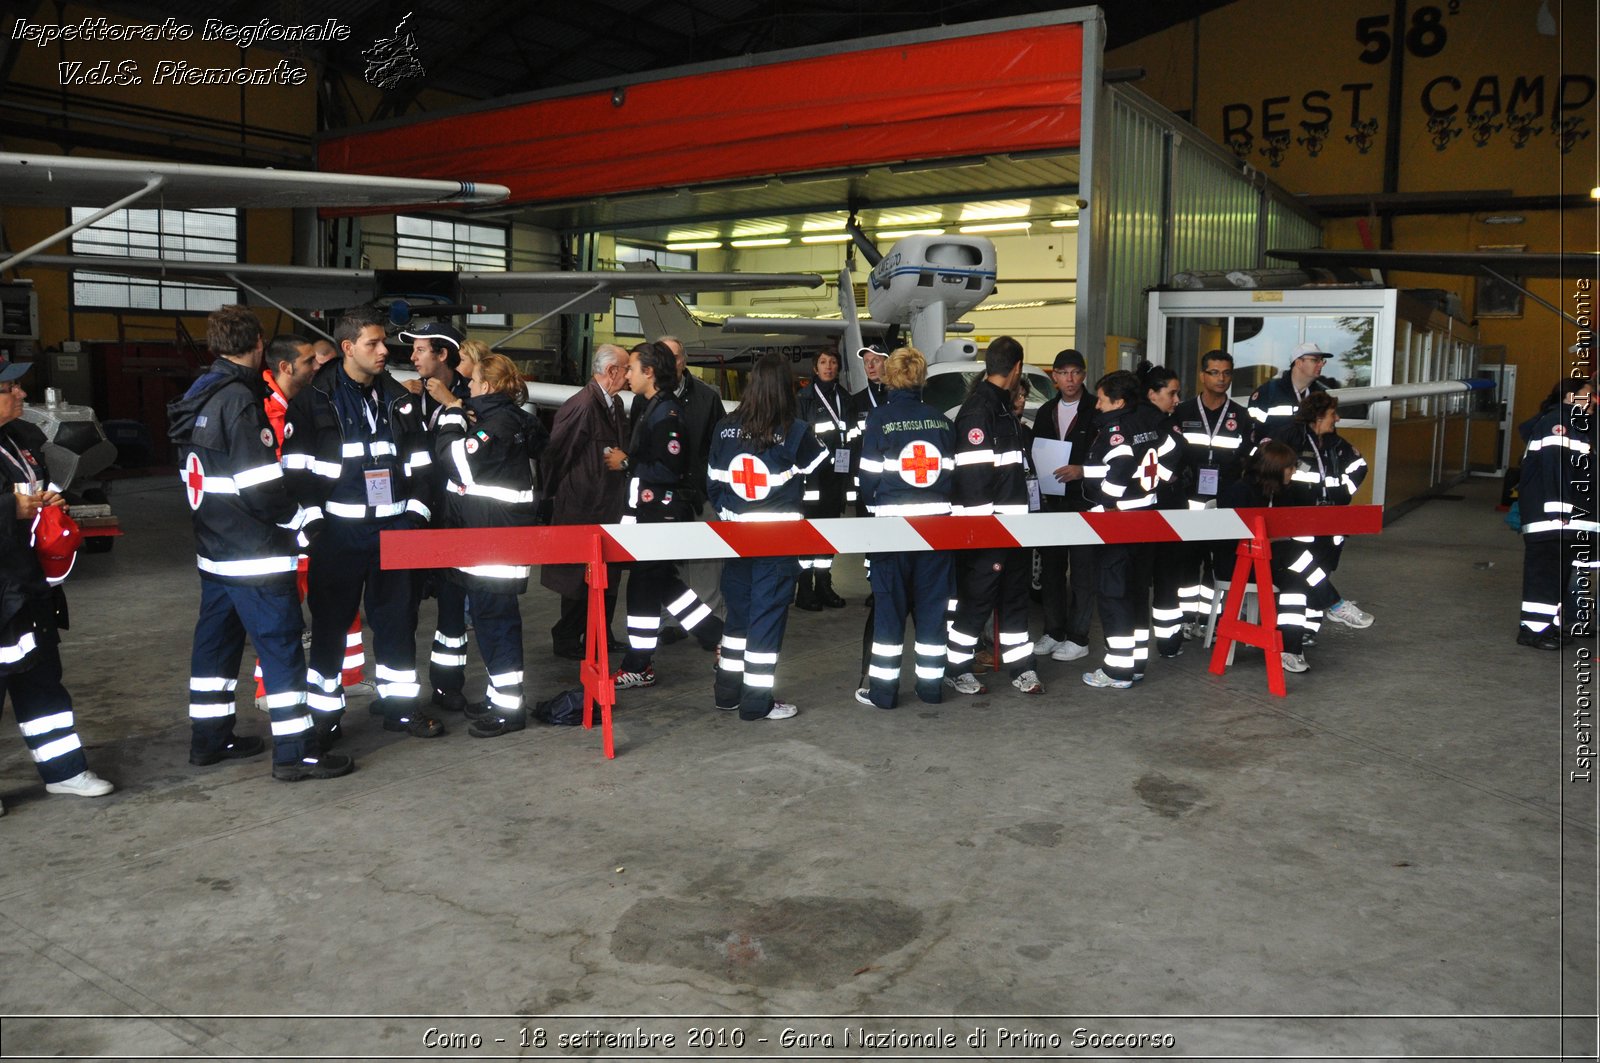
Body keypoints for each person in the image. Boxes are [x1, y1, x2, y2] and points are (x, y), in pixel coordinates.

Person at [169, 307, 350, 781]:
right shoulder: (241, 402)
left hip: (214, 549)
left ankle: (209, 739)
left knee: (215, 647)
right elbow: (260, 484)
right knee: (283, 650)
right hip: (255, 553)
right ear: (258, 345)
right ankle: (296, 754)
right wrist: (300, 522)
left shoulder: (198, 393)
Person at [284, 307, 442, 742]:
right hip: (338, 536)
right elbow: (295, 472)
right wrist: (315, 529)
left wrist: (414, 519)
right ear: (348, 347)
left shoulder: (400, 398)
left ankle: (401, 709)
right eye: (373, 343)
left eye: (383, 342)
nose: (384, 350)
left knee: (398, 625)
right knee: (331, 628)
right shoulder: (313, 399)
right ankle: (324, 718)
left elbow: (422, 465)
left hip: (395, 532)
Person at [0, 354, 114, 810]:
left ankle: (65, 772)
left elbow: (34, 482)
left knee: (43, 680)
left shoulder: (19, 437)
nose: (22, 394)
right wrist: (11, 510)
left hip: (27, 586)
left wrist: (47, 498)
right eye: (10, 389)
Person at [429, 353, 548, 735]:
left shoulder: (490, 425)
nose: (470, 385)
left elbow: (457, 463)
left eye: (475, 380)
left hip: (492, 543)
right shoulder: (518, 418)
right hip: (500, 538)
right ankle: (500, 698)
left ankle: (509, 711)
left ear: (489, 386)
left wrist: (451, 415)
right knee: (494, 621)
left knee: (496, 625)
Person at [250, 335, 370, 708]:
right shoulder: (265, 409)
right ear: (288, 367)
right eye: (312, 362)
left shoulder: (315, 401)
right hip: (288, 525)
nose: (320, 369)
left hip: (320, 522)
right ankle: (268, 690)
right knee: (283, 612)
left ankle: (348, 676)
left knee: (339, 603)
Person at [707, 353, 826, 720]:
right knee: (766, 621)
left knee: (739, 620)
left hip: (736, 540)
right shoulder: (796, 430)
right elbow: (818, 474)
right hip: (777, 543)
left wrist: (732, 515)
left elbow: (712, 482)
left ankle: (727, 693)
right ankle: (757, 703)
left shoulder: (724, 428)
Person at [606, 341, 723, 688]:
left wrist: (626, 462)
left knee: (645, 587)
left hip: (663, 515)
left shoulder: (667, 413)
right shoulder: (650, 406)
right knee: (662, 585)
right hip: (651, 515)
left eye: (632, 368)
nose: (626, 374)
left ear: (650, 372)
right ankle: (717, 635)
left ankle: (639, 663)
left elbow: (669, 468)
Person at [854, 347, 955, 708]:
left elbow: (867, 481)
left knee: (890, 612)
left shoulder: (879, 420)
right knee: (933, 612)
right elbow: (951, 477)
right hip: (937, 534)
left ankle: (883, 693)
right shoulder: (943, 422)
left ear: (890, 377)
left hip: (892, 533)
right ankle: (930, 688)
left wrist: (875, 508)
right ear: (922, 378)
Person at [945, 336, 1042, 696]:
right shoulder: (979, 411)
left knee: (1015, 600)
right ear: (1016, 369)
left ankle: (1022, 667)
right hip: (990, 531)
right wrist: (984, 533)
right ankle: (955, 666)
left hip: (1014, 529)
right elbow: (973, 480)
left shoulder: (1002, 409)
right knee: (977, 601)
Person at [1081, 369, 1181, 689]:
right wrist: (1161, 479)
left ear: (1118, 401)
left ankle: (1118, 671)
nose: (1097, 406)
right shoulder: (1146, 421)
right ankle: (1135, 664)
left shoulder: (1117, 428)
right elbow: (1175, 445)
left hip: (1118, 523)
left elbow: (1121, 464)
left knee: (1114, 596)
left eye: (1101, 400)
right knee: (1137, 594)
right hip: (1146, 519)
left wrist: (1109, 498)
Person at [399, 322, 475, 713]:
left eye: (420, 350)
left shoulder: (470, 399)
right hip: (413, 521)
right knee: (401, 610)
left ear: (442, 354)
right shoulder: (403, 400)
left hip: (454, 522)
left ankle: (448, 686)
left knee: (452, 612)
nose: (412, 358)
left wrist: (452, 406)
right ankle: (399, 697)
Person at [541, 344, 630, 660]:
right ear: (612, 371)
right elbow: (556, 456)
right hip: (582, 509)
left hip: (606, 508)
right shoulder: (582, 406)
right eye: (626, 369)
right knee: (578, 581)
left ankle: (600, 636)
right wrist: (553, 499)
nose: (630, 375)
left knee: (606, 578)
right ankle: (566, 638)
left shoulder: (613, 405)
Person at [1218, 441, 1320, 673]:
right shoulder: (1240, 491)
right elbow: (1226, 538)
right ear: (1274, 468)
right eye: (1290, 467)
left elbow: (1294, 525)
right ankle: (1333, 603)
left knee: (1295, 583)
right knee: (1292, 552)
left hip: (1274, 561)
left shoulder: (1285, 491)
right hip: (1238, 562)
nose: (1294, 472)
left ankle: (1290, 650)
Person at [1172, 348, 1254, 635]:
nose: (1221, 379)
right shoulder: (1182, 412)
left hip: (1224, 503)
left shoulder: (1241, 417)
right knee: (1186, 565)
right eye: (1215, 372)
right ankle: (1185, 619)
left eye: (1227, 373)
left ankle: (1209, 620)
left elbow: (1248, 460)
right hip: (1188, 504)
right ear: (1202, 375)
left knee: (1219, 565)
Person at [1280, 392, 1372, 634]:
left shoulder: (1338, 445)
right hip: (1299, 526)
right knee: (1300, 581)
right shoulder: (1292, 439)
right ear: (1317, 417)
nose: (1337, 419)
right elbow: (1272, 470)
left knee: (1320, 573)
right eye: (1333, 414)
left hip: (1331, 525)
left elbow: (1360, 467)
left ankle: (1308, 632)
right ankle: (1294, 635)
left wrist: (1343, 493)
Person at [1517, 376, 1596, 649]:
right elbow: (1556, 467)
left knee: (1555, 576)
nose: (1592, 403)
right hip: (1549, 519)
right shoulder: (1558, 424)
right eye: (1587, 397)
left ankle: (1548, 626)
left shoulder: (1571, 425)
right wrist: (1559, 509)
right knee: (1544, 575)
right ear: (1569, 397)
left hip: (1559, 520)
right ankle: (1533, 631)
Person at [1032, 349, 1098, 663]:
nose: (1069, 379)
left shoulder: (1096, 410)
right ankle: (1054, 630)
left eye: (1075, 372)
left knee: (1084, 572)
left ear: (1084, 375)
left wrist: (1081, 470)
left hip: (1084, 501)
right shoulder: (1045, 412)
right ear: (1054, 377)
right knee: (1052, 570)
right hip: (1053, 500)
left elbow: (1105, 456)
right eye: (1063, 373)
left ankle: (1078, 636)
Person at [657, 335, 727, 635]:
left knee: (707, 561)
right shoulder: (651, 395)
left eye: (671, 357)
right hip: (663, 494)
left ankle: (711, 620)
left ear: (682, 361)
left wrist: (707, 486)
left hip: (699, 492)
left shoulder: (707, 397)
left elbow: (718, 445)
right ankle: (673, 620)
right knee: (670, 560)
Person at [794, 347, 853, 610]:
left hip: (835, 478)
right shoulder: (803, 399)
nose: (828, 367)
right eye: (823, 362)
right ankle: (805, 590)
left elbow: (852, 437)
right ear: (815, 369)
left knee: (829, 535)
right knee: (807, 534)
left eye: (833, 362)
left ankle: (824, 585)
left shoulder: (845, 398)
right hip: (810, 479)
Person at [1140, 362, 1190, 659]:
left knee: (1162, 581)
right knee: (1166, 582)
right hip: (1159, 510)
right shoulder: (1158, 428)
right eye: (1171, 393)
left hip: (1165, 512)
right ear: (1151, 394)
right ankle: (1168, 642)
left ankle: (1165, 640)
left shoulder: (1159, 422)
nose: (1176, 399)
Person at [1248, 341, 1329, 442]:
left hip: (1309, 456)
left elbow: (1328, 432)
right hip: (1275, 455)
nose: (1321, 364)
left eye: (1322, 360)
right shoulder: (1268, 392)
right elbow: (1251, 429)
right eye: (1315, 360)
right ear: (1298, 362)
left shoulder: (1321, 395)